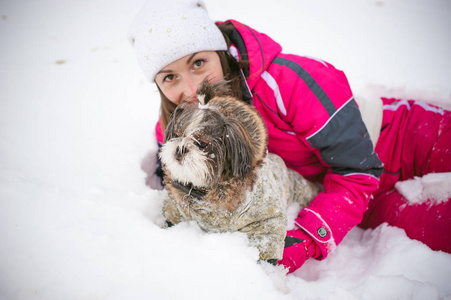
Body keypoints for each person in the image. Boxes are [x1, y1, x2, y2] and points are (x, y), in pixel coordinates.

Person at [129, 0, 451, 273]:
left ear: (219, 52)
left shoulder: (285, 81)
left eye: (198, 62)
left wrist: (304, 239)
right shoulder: (175, 130)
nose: (189, 88)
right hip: (354, 202)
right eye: (169, 77)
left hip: (398, 137)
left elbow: (358, 168)